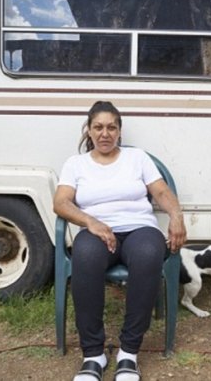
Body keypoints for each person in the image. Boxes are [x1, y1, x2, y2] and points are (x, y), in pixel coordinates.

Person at [53, 101, 186, 381]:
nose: (105, 133)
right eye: (98, 127)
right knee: (85, 255)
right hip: (97, 231)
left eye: (111, 127)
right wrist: (91, 222)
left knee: (149, 254)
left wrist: (176, 216)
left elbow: (161, 192)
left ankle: (129, 352)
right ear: (89, 131)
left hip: (139, 228)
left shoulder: (137, 158)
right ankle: (93, 355)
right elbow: (61, 203)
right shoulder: (75, 164)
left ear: (119, 131)